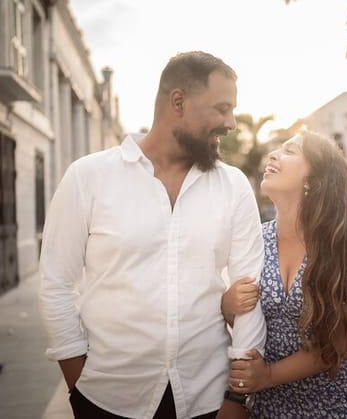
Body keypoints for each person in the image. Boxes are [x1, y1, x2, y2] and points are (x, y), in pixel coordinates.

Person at [39, 51, 266, 419]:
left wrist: (237, 398)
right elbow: (56, 283)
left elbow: (250, 290)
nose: (231, 123)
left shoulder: (233, 185)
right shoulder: (89, 177)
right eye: (221, 108)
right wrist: (78, 384)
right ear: (178, 102)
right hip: (108, 398)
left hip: (208, 398)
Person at [222, 130, 347, 418]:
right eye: (278, 149)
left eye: (290, 151)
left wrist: (269, 375)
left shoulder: (343, 244)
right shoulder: (254, 240)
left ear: (314, 181)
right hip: (268, 403)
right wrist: (227, 304)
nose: (274, 154)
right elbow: (245, 320)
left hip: (334, 402)